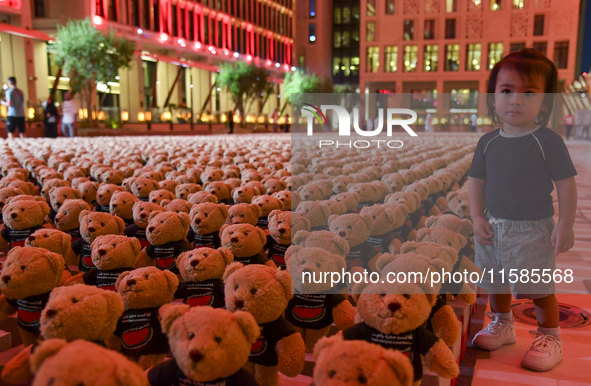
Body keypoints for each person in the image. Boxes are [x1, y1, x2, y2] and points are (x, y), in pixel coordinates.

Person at [468, 48, 577, 372]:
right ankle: (503, 324)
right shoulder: (487, 142)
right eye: (507, 91)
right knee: (496, 282)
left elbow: (566, 184)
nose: (516, 100)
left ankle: (550, 336)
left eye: (529, 92)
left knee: (539, 288)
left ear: (546, 101)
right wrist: (476, 217)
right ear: (494, 97)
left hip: (532, 230)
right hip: (492, 227)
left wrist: (565, 224)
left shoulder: (547, 140)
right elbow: (476, 182)